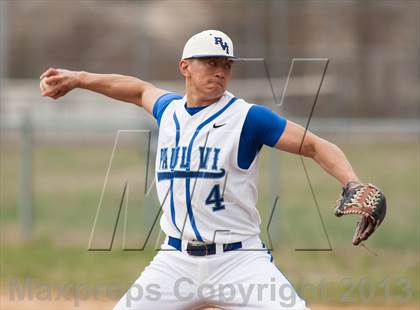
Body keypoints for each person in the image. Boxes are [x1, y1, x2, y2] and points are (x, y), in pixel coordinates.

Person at [40, 30, 360, 310]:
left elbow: (315, 145)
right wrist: (79, 78)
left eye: (226, 65)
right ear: (185, 67)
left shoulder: (248, 118)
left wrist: (353, 184)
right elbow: (138, 90)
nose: (219, 71)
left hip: (238, 260)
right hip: (175, 260)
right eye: (210, 62)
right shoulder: (168, 111)